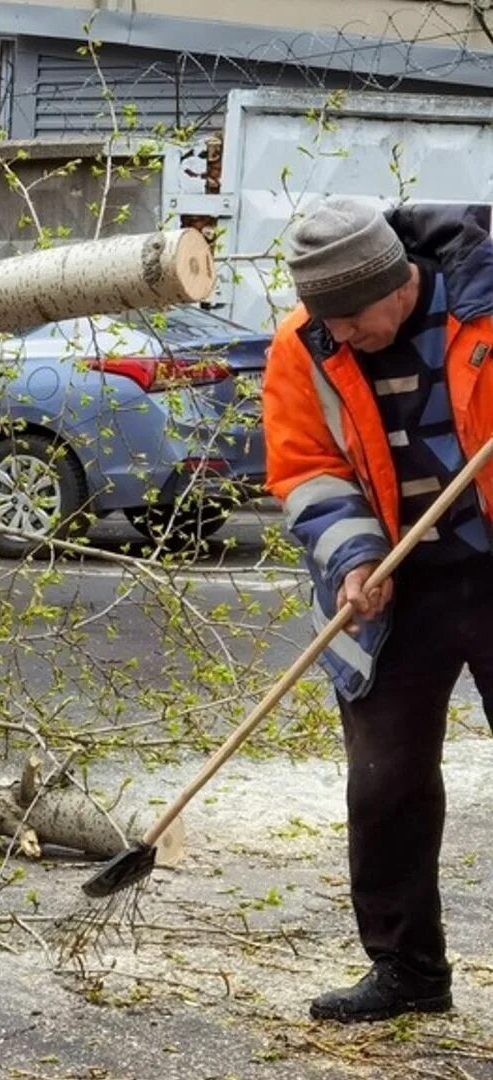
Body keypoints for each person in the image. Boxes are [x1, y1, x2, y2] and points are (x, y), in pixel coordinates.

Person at [266, 196, 493, 1023]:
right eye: (327, 322)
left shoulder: (485, 305)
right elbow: (305, 467)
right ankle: (408, 974)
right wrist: (356, 555)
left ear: (400, 283)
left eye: (354, 319)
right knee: (384, 782)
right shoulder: (308, 345)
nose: (343, 336)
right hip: (403, 584)